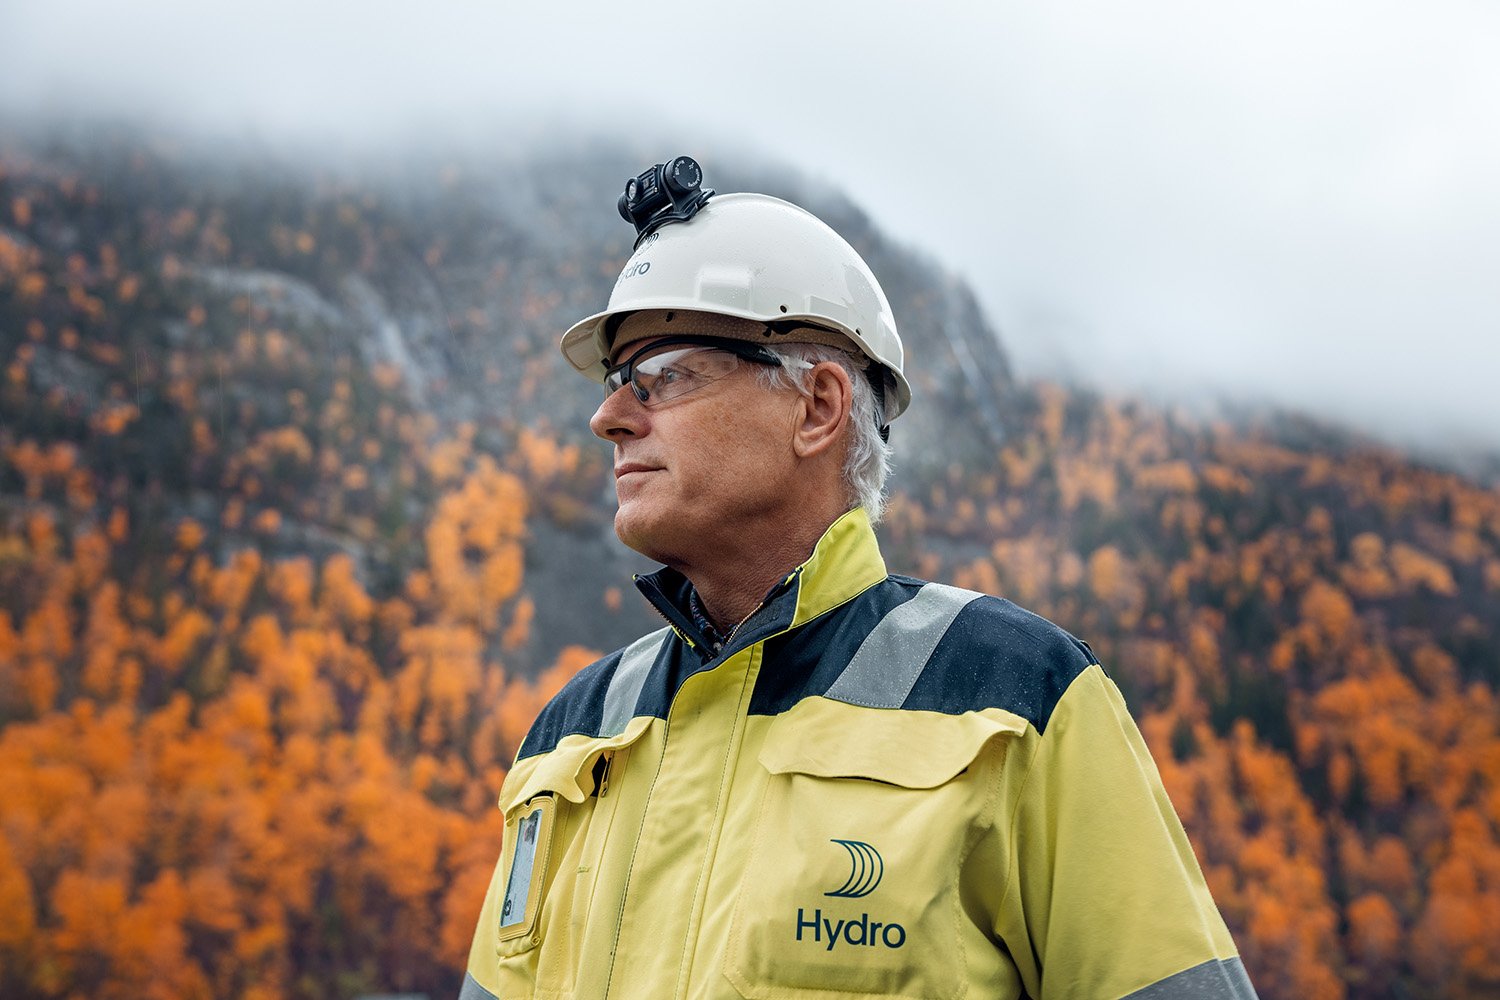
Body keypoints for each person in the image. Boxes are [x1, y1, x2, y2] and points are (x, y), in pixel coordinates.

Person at [461, 158, 1256, 1000]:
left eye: (665, 376)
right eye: (620, 384)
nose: (608, 417)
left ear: (817, 407)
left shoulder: (1023, 700)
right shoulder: (569, 736)